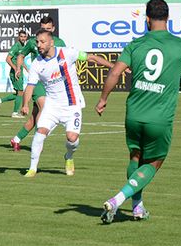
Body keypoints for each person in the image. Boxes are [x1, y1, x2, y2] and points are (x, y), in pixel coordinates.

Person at [95, 0, 181, 224]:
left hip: (133, 114)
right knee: (154, 162)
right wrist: (176, 81)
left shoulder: (135, 44)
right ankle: (117, 199)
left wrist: (103, 99)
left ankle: (137, 207)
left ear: (147, 19)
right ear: (168, 19)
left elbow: (114, 73)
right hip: (159, 118)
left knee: (135, 156)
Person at [22, 28, 114, 178]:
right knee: (40, 133)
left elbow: (92, 58)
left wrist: (115, 67)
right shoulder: (36, 64)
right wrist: (25, 104)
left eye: (42, 42)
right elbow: (30, 86)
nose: (39, 45)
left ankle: (69, 157)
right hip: (51, 105)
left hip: (72, 105)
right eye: (37, 42)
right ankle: (32, 168)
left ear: (51, 43)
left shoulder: (67, 53)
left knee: (72, 138)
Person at [9, 16, 65, 153]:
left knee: (35, 115)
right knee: (44, 108)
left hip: (51, 83)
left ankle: (16, 139)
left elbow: (64, 59)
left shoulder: (60, 42)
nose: (45, 31)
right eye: (43, 28)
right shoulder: (33, 42)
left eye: (48, 29)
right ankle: (37, 142)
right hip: (37, 81)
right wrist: (18, 67)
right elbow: (21, 55)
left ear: (53, 29)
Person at [0, 30, 28, 118]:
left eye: (24, 36)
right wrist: (16, 69)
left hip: (19, 72)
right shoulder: (16, 46)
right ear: (18, 37)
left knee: (19, 93)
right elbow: (8, 59)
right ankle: (15, 113)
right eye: (21, 36)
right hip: (15, 73)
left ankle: (0, 100)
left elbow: (20, 59)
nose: (23, 38)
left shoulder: (23, 46)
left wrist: (27, 68)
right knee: (20, 92)